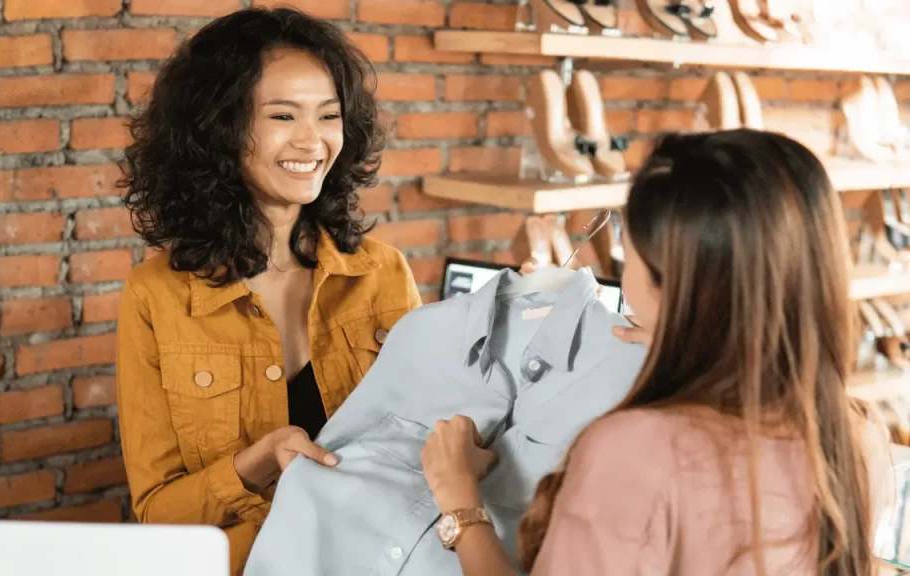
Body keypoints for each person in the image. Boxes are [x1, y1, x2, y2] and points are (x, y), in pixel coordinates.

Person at [420, 129, 891, 575]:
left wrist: (458, 499)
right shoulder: (855, 441)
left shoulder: (637, 452)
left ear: (675, 285)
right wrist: (690, 340)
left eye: (630, 252)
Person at [115, 7, 420, 574]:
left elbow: (428, 450)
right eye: (283, 115)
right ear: (219, 127)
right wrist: (255, 464)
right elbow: (158, 513)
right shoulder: (154, 297)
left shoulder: (383, 275)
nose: (313, 141)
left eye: (329, 116)